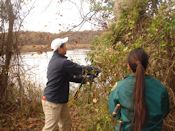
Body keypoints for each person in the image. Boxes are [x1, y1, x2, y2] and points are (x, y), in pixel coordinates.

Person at [42, 37, 97, 131]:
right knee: (50, 128)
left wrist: (86, 80)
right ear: (59, 48)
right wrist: (93, 69)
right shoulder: (62, 62)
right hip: (53, 101)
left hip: (59, 100)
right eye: (64, 46)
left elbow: (70, 77)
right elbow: (79, 69)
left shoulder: (56, 60)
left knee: (66, 124)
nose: (66, 48)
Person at [108, 48, 169, 131]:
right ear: (147, 64)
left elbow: (114, 112)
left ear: (129, 66)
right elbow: (164, 112)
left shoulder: (119, 87)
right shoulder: (160, 87)